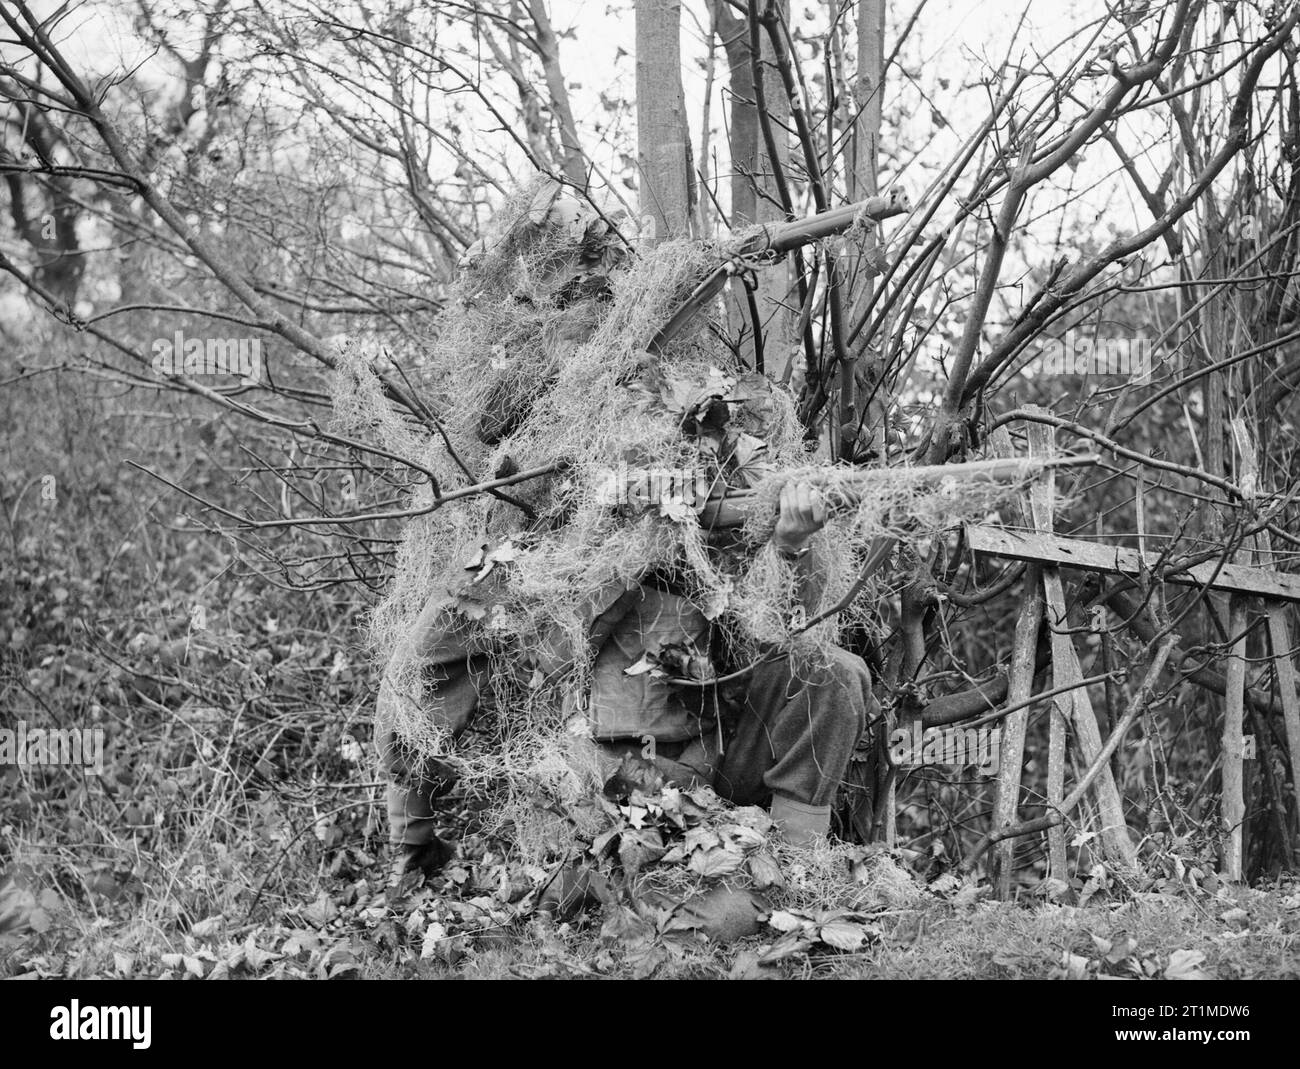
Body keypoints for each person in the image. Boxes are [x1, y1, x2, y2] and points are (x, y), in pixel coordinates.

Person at [375, 479, 877, 884]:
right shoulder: (531, 555)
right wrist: (413, 840)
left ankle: (801, 877)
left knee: (834, 671)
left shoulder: (722, 515)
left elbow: (780, 645)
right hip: (606, 779)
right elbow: (420, 676)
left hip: (723, 756)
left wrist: (789, 544)